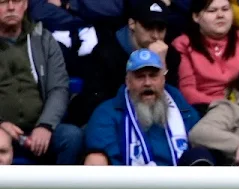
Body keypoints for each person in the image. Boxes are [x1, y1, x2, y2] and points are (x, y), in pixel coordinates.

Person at [69, 0, 181, 127]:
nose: (155, 36)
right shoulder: (106, 53)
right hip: (111, 122)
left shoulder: (169, 55)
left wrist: (161, 66)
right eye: (148, 27)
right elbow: (95, 103)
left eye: (160, 29)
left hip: (154, 122)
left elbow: (174, 103)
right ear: (132, 23)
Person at [0, 0, 83, 165]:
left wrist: (45, 125)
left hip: (38, 128)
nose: (11, 7)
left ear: (25, 4)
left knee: (72, 136)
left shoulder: (44, 40)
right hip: (2, 131)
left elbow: (58, 88)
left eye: (16, 1)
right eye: (3, 2)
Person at [85, 50, 200, 167]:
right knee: (95, 159)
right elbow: (106, 161)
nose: (147, 83)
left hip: (181, 181)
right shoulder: (107, 113)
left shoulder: (183, 110)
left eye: (153, 76)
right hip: (128, 182)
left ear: (163, 79)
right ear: (128, 82)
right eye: (140, 77)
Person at [172, 0, 239, 110]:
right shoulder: (182, 44)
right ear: (196, 16)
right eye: (212, 11)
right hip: (206, 111)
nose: (220, 15)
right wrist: (228, 107)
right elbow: (187, 92)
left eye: (225, 9)